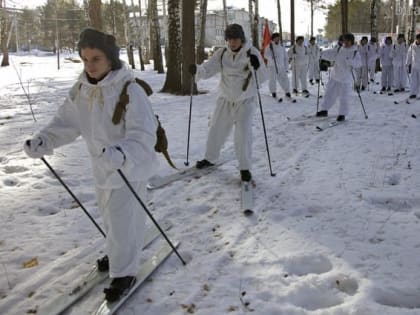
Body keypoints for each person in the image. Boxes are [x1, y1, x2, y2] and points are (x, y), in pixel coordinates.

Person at [23, 28, 158, 302]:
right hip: (101, 167)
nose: (90, 65)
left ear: (110, 58)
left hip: (127, 167)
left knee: (123, 219)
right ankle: (118, 252)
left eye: (96, 58)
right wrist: (44, 140)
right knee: (110, 218)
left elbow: (144, 134)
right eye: (85, 59)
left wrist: (121, 153)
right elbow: (66, 123)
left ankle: (124, 272)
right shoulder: (82, 89)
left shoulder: (130, 90)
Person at [188, 23, 267, 182]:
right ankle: (210, 158)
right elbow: (209, 68)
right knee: (216, 128)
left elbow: (264, 77)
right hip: (225, 98)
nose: (232, 42)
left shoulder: (252, 53)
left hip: (244, 101)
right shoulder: (222, 53)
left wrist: (256, 66)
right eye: (230, 39)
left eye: (235, 39)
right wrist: (198, 70)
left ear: (241, 39)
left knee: (243, 135)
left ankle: (245, 168)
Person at [316, 33, 361, 121]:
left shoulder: (355, 52)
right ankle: (324, 109)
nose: (346, 42)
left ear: (351, 41)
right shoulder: (339, 49)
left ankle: (342, 114)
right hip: (335, 76)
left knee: (344, 97)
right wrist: (322, 54)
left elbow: (358, 64)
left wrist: (350, 62)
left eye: (348, 41)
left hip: (346, 79)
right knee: (329, 94)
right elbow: (331, 54)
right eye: (345, 40)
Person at [264, 32, 293, 101]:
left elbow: (285, 57)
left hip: (281, 66)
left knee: (284, 79)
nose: (277, 39)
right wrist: (271, 58)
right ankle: (273, 91)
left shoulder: (282, 46)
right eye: (276, 38)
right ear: (273, 39)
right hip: (272, 66)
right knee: (272, 80)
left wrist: (286, 66)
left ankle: (287, 91)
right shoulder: (269, 46)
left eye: (278, 38)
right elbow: (266, 55)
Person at [406, 33, 420, 99]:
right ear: (416, 39)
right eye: (418, 39)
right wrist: (407, 63)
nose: (419, 40)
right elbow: (409, 55)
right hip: (414, 66)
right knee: (413, 80)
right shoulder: (412, 46)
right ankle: (413, 93)